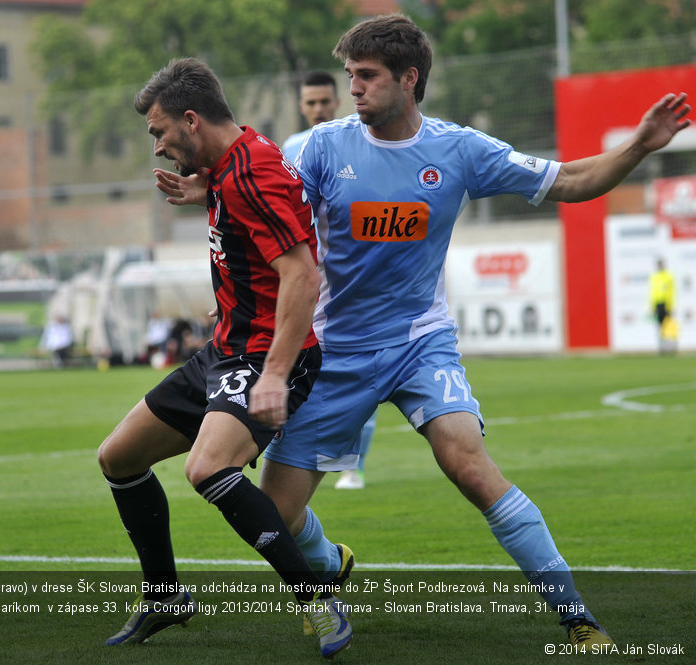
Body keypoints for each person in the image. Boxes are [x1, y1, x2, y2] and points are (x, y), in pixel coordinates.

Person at [154, 15, 691, 650]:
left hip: (418, 342)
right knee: (281, 513)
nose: (353, 89)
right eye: (350, 75)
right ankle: (330, 566)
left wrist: (638, 146)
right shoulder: (321, 147)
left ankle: (577, 617)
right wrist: (208, 186)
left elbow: (571, 181)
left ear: (410, 79)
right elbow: (254, 182)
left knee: (468, 463)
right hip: (333, 352)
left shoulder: (461, 150)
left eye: (367, 76)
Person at [97, 57, 351, 659]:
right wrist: (206, 188)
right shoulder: (236, 159)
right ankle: (164, 596)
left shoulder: (250, 175)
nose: (157, 146)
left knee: (208, 469)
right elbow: (245, 194)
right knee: (119, 457)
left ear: (191, 120)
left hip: (264, 354)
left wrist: (276, 375)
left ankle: (316, 598)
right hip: (225, 348)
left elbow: (302, 277)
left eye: (160, 132)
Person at [282, 70, 372, 490]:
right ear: (302, 107)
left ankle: (353, 465)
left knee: (361, 367)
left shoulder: (357, 140)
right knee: (307, 364)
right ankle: (298, 454)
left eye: (324, 102)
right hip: (308, 277)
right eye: (310, 103)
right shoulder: (292, 148)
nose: (318, 109)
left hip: (351, 278)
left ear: (336, 102)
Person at [648, 258, 677, 354]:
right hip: (658, 304)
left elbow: (672, 292)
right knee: (660, 327)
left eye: (661, 264)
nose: (660, 266)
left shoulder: (668, 276)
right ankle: (662, 348)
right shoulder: (655, 277)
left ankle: (671, 348)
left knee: (668, 327)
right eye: (658, 264)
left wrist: (671, 306)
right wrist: (652, 306)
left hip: (666, 304)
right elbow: (652, 293)